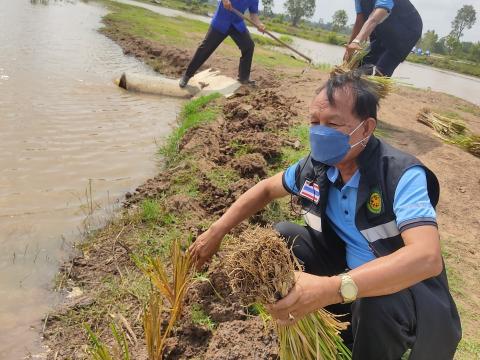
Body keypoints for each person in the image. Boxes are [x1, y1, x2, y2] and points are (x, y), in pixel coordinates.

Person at [189, 71, 462, 359]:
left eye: (332, 123)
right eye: (314, 122)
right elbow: (266, 189)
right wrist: (216, 231)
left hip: (400, 293)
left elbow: (426, 258)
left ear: (366, 128)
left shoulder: (399, 175)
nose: (320, 132)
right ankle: (322, 322)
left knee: (373, 301)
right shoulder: (316, 168)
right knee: (282, 236)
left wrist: (331, 287)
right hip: (343, 276)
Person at [179, 0, 265, 88]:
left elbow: (253, 14)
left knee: (248, 46)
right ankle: (187, 75)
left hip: (237, 24)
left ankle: (243, 78)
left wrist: (259, 24)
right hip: (221, 21)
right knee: (206, 48)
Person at [345, 0, 423, 76]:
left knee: (379, 71)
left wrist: (357, 41)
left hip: (406, 32)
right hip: (385, 29)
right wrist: (350, 48)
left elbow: (375, 18)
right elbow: (360, 19)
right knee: (362, 63)